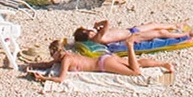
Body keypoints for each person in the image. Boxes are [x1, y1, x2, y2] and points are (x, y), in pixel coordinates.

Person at [28, 36, 175, 84]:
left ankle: (129, 46)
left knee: (136, 72)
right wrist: (31, 65)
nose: (50, 57)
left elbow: (61, 79)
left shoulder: (65, 60)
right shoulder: (66, 56)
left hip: (103, 64)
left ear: (56, 53)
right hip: (105, 58)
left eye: (51, 54)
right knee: (138, 63)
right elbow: (47, 64)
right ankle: (164, 64)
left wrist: (45, 78)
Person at [74, 19, 193, 45]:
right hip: (133, 36)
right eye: (88, 32)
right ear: (88, 37)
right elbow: (107, 23)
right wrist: (98, 24)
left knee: (153, 24)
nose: (91, 31)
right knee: (160, 33)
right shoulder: (97, 38)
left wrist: (97, 28)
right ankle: (186, 35)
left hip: (130, 30)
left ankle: (176, 25)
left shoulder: (97, 35)